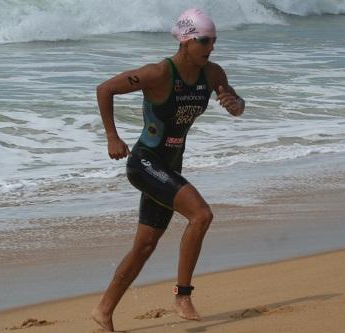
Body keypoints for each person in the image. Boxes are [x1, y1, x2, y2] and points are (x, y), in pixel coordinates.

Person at [91, 8, 245, 332]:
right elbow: (105, 89)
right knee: (201, 215)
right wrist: (112, 137)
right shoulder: (159, 73)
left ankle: (103, 310)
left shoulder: (213, 74)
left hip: (170, 166)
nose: (211, 47)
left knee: (144, 247)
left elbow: (235, 101)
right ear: (186, 40)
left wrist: (235, 104)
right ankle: (183, 295)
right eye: (205, 40)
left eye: (214, 41)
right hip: (145, 163)